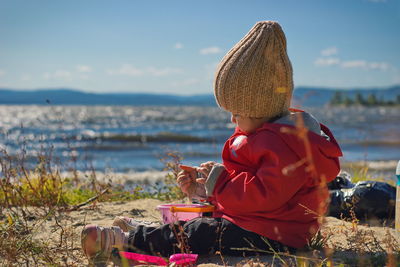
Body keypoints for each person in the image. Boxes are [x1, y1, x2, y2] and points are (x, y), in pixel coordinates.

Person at [81, 21, 342, 265]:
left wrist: (220, 181)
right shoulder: (270, 135)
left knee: (202, 231)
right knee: (201, 217)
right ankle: (153, 231)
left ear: (259, 108)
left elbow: (263, 196)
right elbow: (250, 184)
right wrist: (205, 189)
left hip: (275, 235)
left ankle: (131, 242)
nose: (232, 118)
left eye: (237, 113)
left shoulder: (285, 145)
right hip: (257, 222)